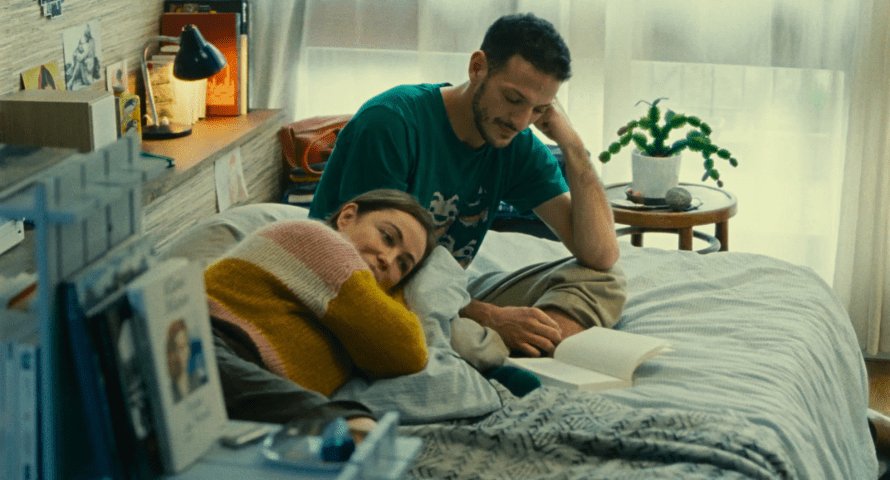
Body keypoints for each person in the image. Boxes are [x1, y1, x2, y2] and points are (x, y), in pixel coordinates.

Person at [309, 13, 627, 366]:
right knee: (451, 333)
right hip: (373, 284)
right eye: (512, 98)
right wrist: (490, 318)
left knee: (606, 280)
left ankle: (514, 348)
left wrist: (573, 146)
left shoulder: (515, 143)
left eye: (538, 110)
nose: (521, 121)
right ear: (477, 67)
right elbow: (369, 265)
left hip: (448, 295)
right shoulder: (392, 122)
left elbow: (601, 255)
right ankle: (504, 351)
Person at [205, 189, 437, 434]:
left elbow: (400, 356)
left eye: (403, 264)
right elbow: (409, 348)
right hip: (206, 341)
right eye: (387, 237)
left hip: (245, 390)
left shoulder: (350, 316)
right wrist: (337, 418)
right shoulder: (315, 239)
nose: (388, 259)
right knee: (352, 431)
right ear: (347, 217)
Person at [165, 319, 207, 403]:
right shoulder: (169, 390)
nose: (182, 353)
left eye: (184, 346)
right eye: (177, 348)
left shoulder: (196, 378)